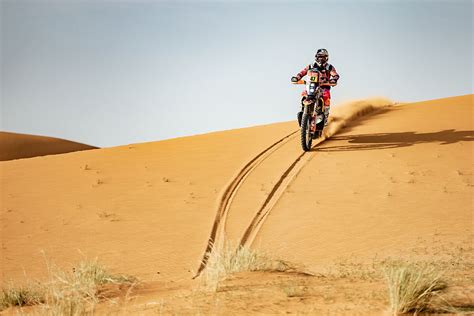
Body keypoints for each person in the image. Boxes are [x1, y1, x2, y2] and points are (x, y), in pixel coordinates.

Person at [291, 48, 340, 126]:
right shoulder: (311, 65)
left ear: (326, 58)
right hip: (311, 85)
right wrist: (297, 77)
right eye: (319, 56)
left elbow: (335, 74)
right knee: (304, 94)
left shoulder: (329, 67)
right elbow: (303, 72)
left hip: (324, 86)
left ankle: (326, 116)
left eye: (323, 57)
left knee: (326, 97)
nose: (321, 58)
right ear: (316, 57)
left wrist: (334, 79)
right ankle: (303, 111)